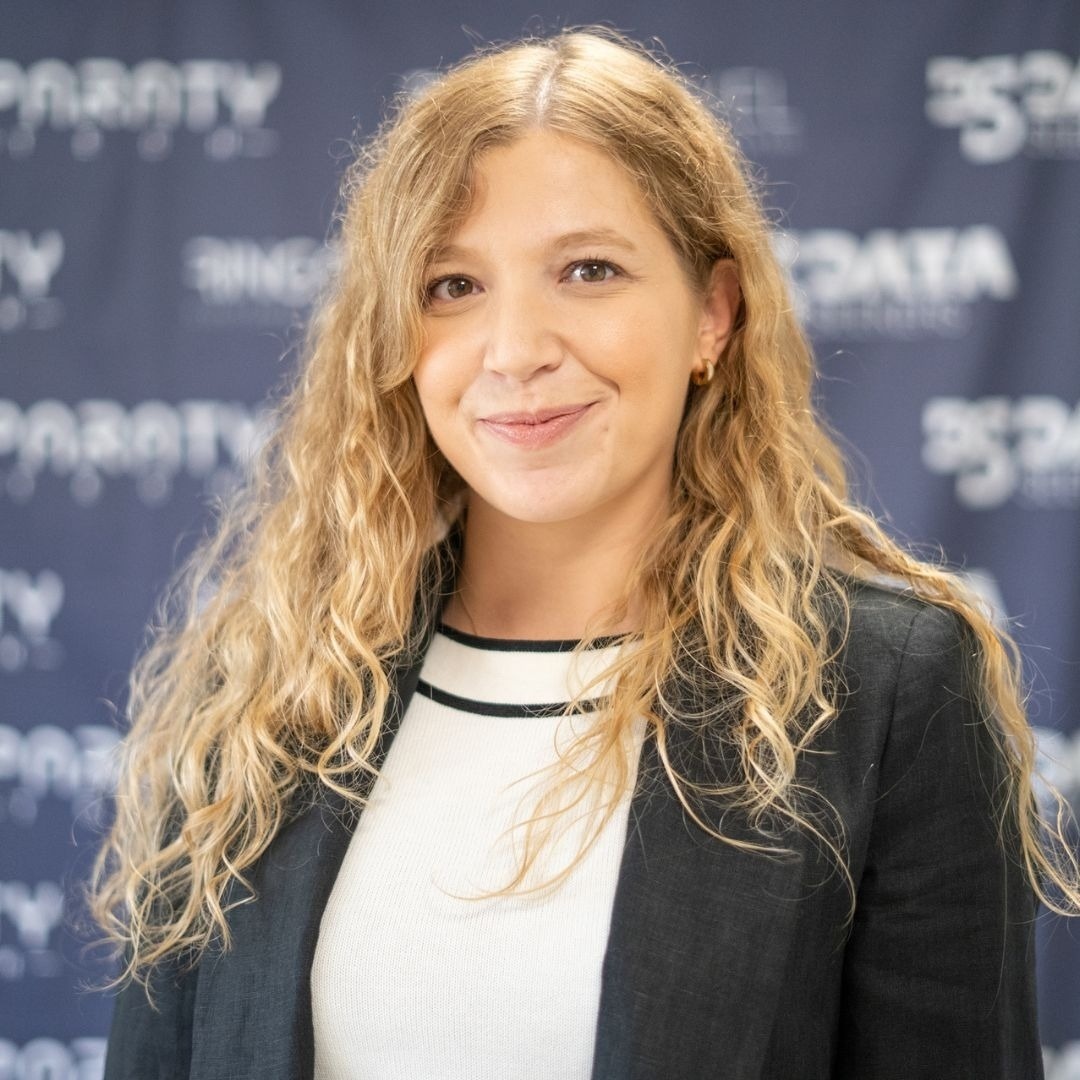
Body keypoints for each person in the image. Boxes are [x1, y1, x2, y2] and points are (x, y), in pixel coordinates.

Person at [92, 28, 1079, 1080]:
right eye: (451, 286)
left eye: (589, 270)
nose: (518, 350)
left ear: (713, 314)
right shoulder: (264, 690)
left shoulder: (885, 692)